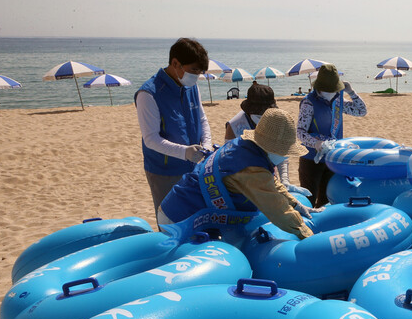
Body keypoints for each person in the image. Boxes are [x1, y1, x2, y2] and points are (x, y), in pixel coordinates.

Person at [158, 108, 318, 240]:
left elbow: (272, 182)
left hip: (177, 204)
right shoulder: (251, 168)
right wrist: (307, 234)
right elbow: (277, 209)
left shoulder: (244, 147)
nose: (285, 156)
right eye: (284, 151)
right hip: (181, 218)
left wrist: (296, 204)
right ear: (271, 148)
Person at [135, 38, 212, 225]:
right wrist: (184, 152)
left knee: (196, 218)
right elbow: (151, 139)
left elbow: (202, 119)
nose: (196, 76)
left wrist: (207, 145)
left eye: (200, 72)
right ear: (175, 63)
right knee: (170, 221)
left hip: (194, 166)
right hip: (164, 171)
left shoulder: (191, 86)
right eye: (193, 70)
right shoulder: (149, 93)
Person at [296, 63, 367, 207]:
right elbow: (300, 132)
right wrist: (316, 143)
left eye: (334, 89)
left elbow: (361, 111)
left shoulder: (338, 100)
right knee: (309, 199)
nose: (332, 92)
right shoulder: (309, 103)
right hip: (311, 159)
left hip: (333, 158)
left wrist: (352, 92)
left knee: (327, 200)